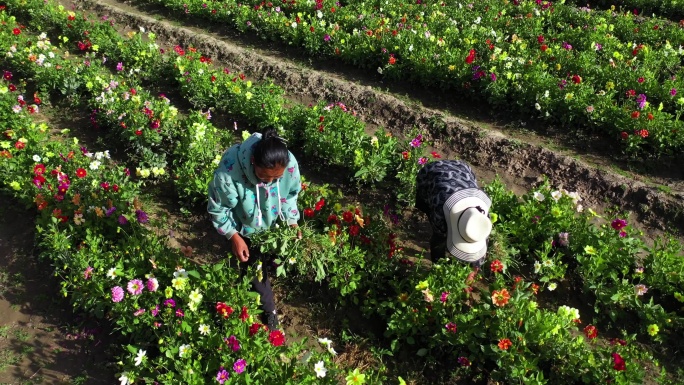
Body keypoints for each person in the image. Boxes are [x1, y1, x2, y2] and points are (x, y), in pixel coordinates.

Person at [207, 128, 302, 330]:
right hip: (244, 226)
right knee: (255, 270)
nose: (270, 183)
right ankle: (269, 311)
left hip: (273, 222)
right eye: (264, 178)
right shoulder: (229, 172)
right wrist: (234, 236)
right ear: (252, 163)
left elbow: (289, 195)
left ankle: (255, 276)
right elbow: (218, 209)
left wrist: (292, 221)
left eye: (276, 179)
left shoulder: (287, 163)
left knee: (272, 261)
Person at [415, 160, 493, 275]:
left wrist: (474, 270)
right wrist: (439, 269)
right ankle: (437, 268)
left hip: (463, 169)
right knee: (439, 236)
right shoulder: (440, 211)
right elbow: (438, 240)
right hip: (432, 173)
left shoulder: (481, 217)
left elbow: (481, 241)